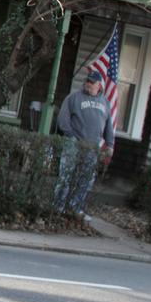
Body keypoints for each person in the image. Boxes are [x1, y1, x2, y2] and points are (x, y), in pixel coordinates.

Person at [53, 69, 115, 220]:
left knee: (86, 179)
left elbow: (108, 126)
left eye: (92, 82)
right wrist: (71, 137)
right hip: (73, 143)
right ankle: (57, 207)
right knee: (66, 176)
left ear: (99, 85)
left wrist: (110, 144)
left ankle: (76, 207)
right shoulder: (74, 98)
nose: (88, 84)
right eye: (87, 81)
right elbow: (63, 119)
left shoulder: (105, 103)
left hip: (92, 147)